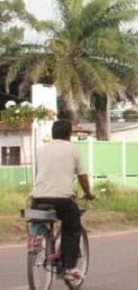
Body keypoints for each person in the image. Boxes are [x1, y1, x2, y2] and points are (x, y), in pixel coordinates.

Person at [32, 119, 96, 281]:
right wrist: (88, 193)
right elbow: (82, 176)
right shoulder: (73, 150)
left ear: (53, 134)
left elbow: (40, 173)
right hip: (62, 199)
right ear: (69, 134)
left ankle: (37, 238)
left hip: (39, 196)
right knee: (72, 227)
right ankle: (69, 269)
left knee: (37, 216)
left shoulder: (41, 149)